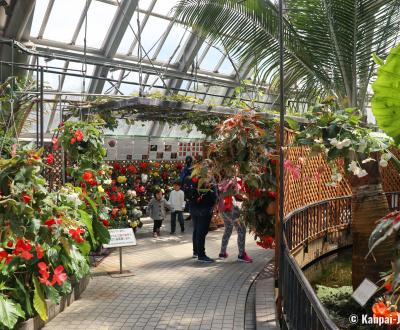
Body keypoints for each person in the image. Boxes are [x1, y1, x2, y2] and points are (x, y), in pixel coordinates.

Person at [185, 160, 218, 263]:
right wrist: (215, 202)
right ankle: (201, 255)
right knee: (201, 232)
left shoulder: (192, 177)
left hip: (193, 207)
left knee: (196, 230)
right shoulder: (208, 179)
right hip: (205, 208)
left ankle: (196, 252)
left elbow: (187, 192)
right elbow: (214, 194)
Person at [218, 176, 253, 263]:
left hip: (222, 208)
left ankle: (222, 253)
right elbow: (235, 193)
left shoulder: (223, 179)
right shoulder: (232, 180)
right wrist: (246, 198)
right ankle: (241, 255)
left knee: (228, 228)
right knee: (242, 229)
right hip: (230, 209)